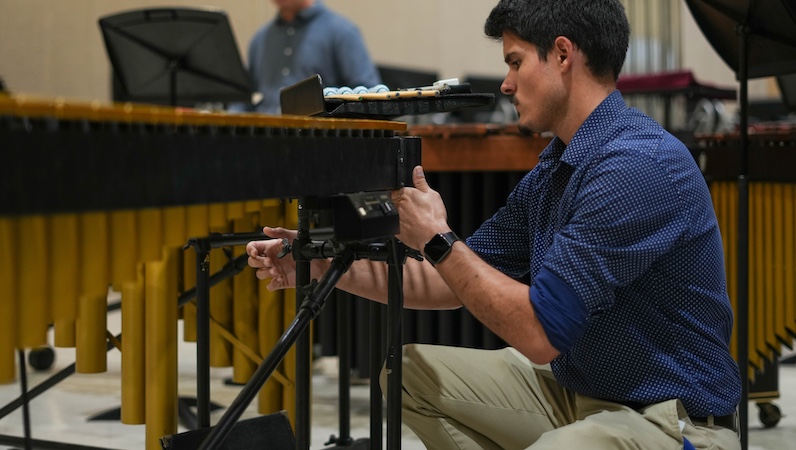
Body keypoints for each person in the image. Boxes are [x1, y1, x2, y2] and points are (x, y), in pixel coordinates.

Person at [247, 0, 742, 448]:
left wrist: (437, 239)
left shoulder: (636, 166)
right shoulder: (557, 165)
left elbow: (539, 332)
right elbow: (449, 280)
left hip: (670, 420)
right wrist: (319, 265)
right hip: (583, 394)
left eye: (514, 61)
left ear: (563, 55)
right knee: (409, 372)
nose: (506, 83)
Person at [230, 0, 381, 114]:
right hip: (262, 141)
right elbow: (244, 99)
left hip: (317, 143)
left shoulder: (343, 33)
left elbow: (368, 98)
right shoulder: (260, 38)